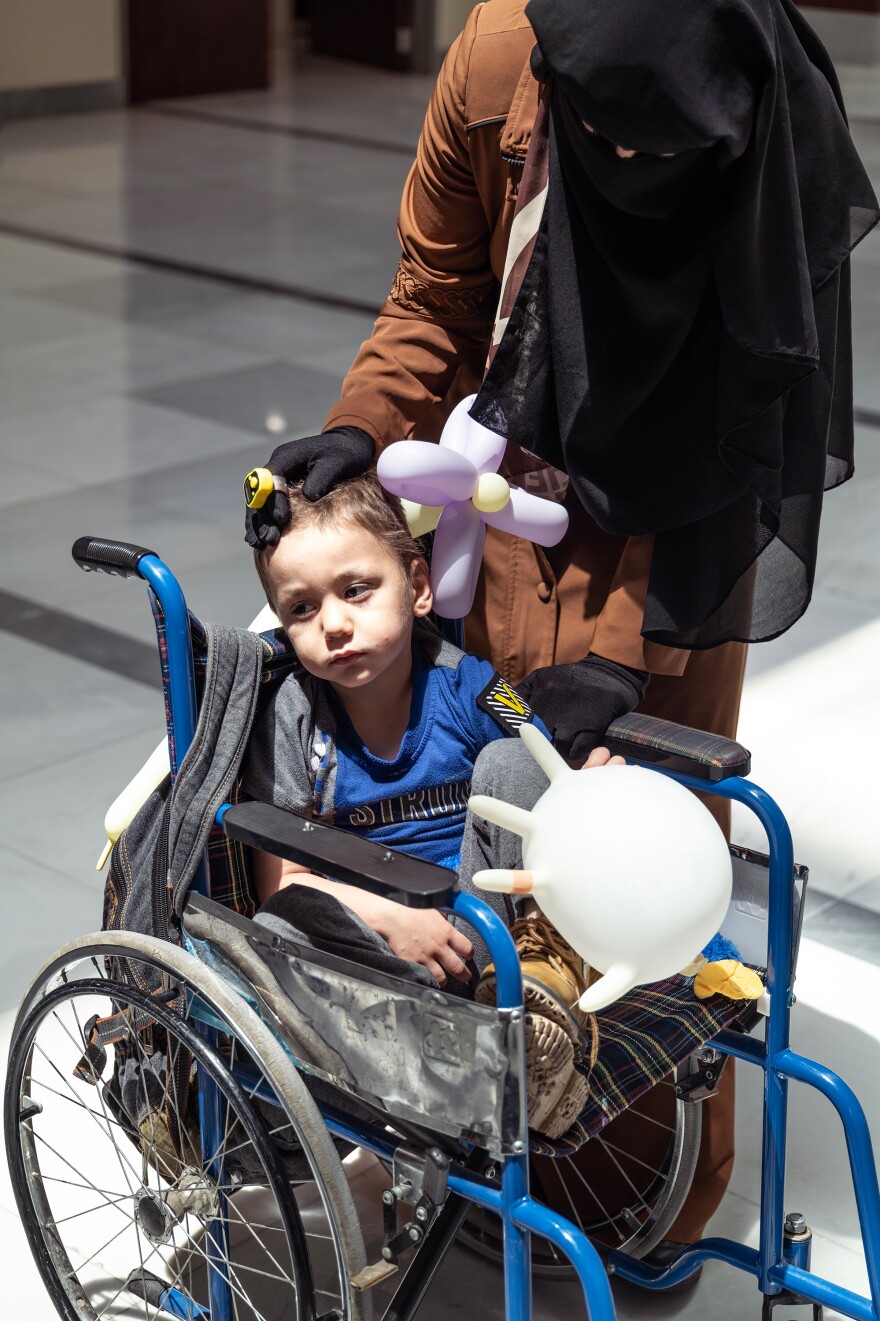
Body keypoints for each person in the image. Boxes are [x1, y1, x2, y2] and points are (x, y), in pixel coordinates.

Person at [243, 0, 878, 1262]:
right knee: (483, 822)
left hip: (684, 524)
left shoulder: (772, 122)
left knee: (632, 855)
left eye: (667, 150)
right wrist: (364, 428)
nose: (634, 167)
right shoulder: (493, 64)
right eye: (606, 137)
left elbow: (749, 408)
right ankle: (463, 1137)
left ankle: (616, 1197)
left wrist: (629, 656)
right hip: (502, 489)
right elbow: (437, 289)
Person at [241, 469, 624, 1138]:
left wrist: (586, 783)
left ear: (417, 588)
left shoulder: (469, 682)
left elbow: (541, 749)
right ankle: (434, 1053)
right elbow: (283, 882)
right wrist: (395, 918)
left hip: (492, 932)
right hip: (375, 953)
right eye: (301, 609)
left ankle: (543, 987)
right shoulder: (291, 720)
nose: (334, 623)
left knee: (514, 759)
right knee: (279, 925)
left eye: (357, 590)